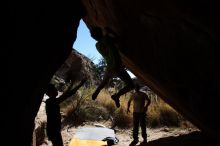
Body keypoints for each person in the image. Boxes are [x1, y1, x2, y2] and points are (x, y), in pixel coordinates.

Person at [90, 26, 134, 108]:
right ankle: (117, 95)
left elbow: (108, 43)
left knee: (104, 82)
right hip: (116, 65)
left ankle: (97, 90)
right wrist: (111, 31)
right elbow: (118, 40)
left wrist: (106, 34)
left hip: (109, 66)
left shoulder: (98, 45)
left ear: (94, 37)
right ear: (100, 33)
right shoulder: (107, 39)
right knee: (131, 85)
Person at [45, 79, 86, 146]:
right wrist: (78, 85)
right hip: (53, 130)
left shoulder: (51, 101)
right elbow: (66, 95)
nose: (56, 90)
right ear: (50, 92)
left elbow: (65, 95)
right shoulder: (51, 102)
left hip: (54, 129)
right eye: (54, 89)